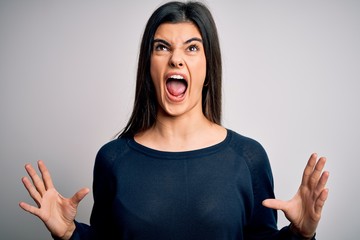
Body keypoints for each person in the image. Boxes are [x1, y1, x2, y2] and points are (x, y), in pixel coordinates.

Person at [19, 1, 329, 240]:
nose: (175, 59)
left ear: (209, 68)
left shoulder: (248, 158)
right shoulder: (113, 159)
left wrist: (300, 235)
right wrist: (71, 234)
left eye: (192, 48)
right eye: (162, 47)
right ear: (149, 67)